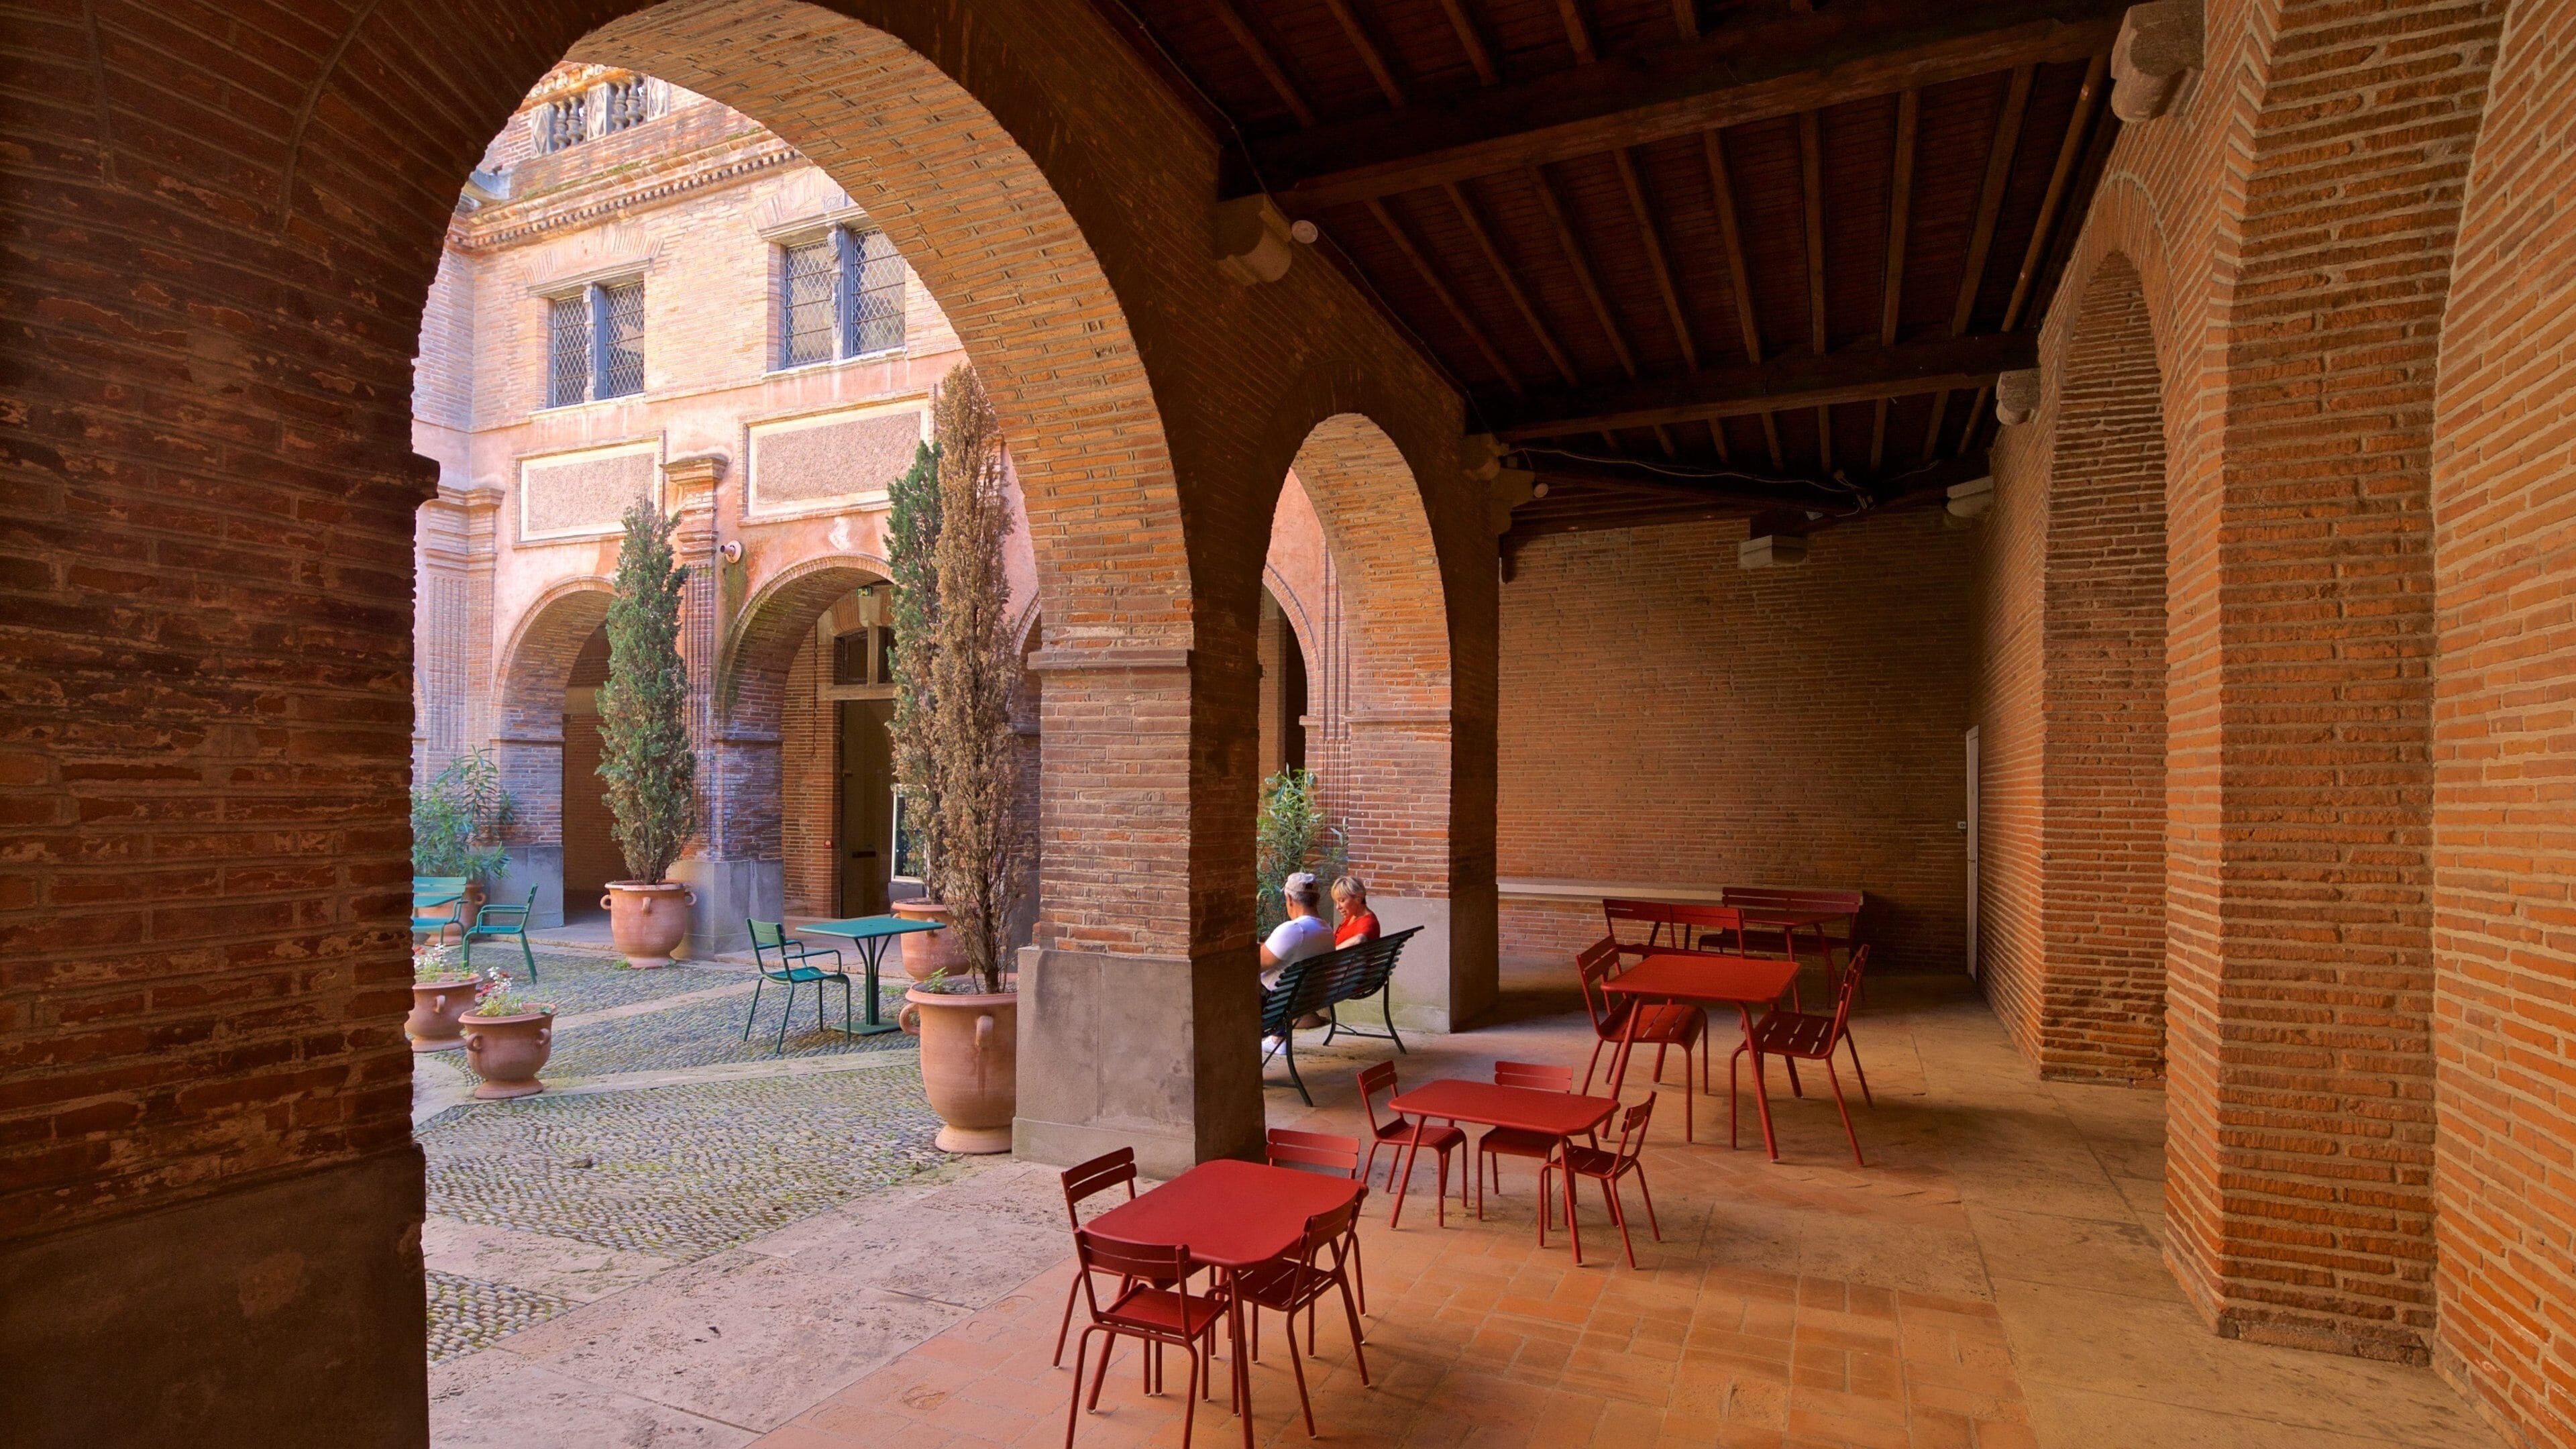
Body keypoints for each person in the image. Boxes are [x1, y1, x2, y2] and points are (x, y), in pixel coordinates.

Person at [1258, 871, 1332, 990]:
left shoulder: (1294, 930)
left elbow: (1254, 964)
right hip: (1304, 998)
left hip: (1274, 1001)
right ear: (1317, 899)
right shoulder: (1326, 930)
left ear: (1289, 898)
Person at [1331, 876, 1380, 948]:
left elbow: (1360, 939)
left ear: (1358, 899)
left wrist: (1332, 953)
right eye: (1336, 902)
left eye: (1341, 901)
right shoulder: (1352, 916)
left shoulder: (1368, 921)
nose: (1338, 907)